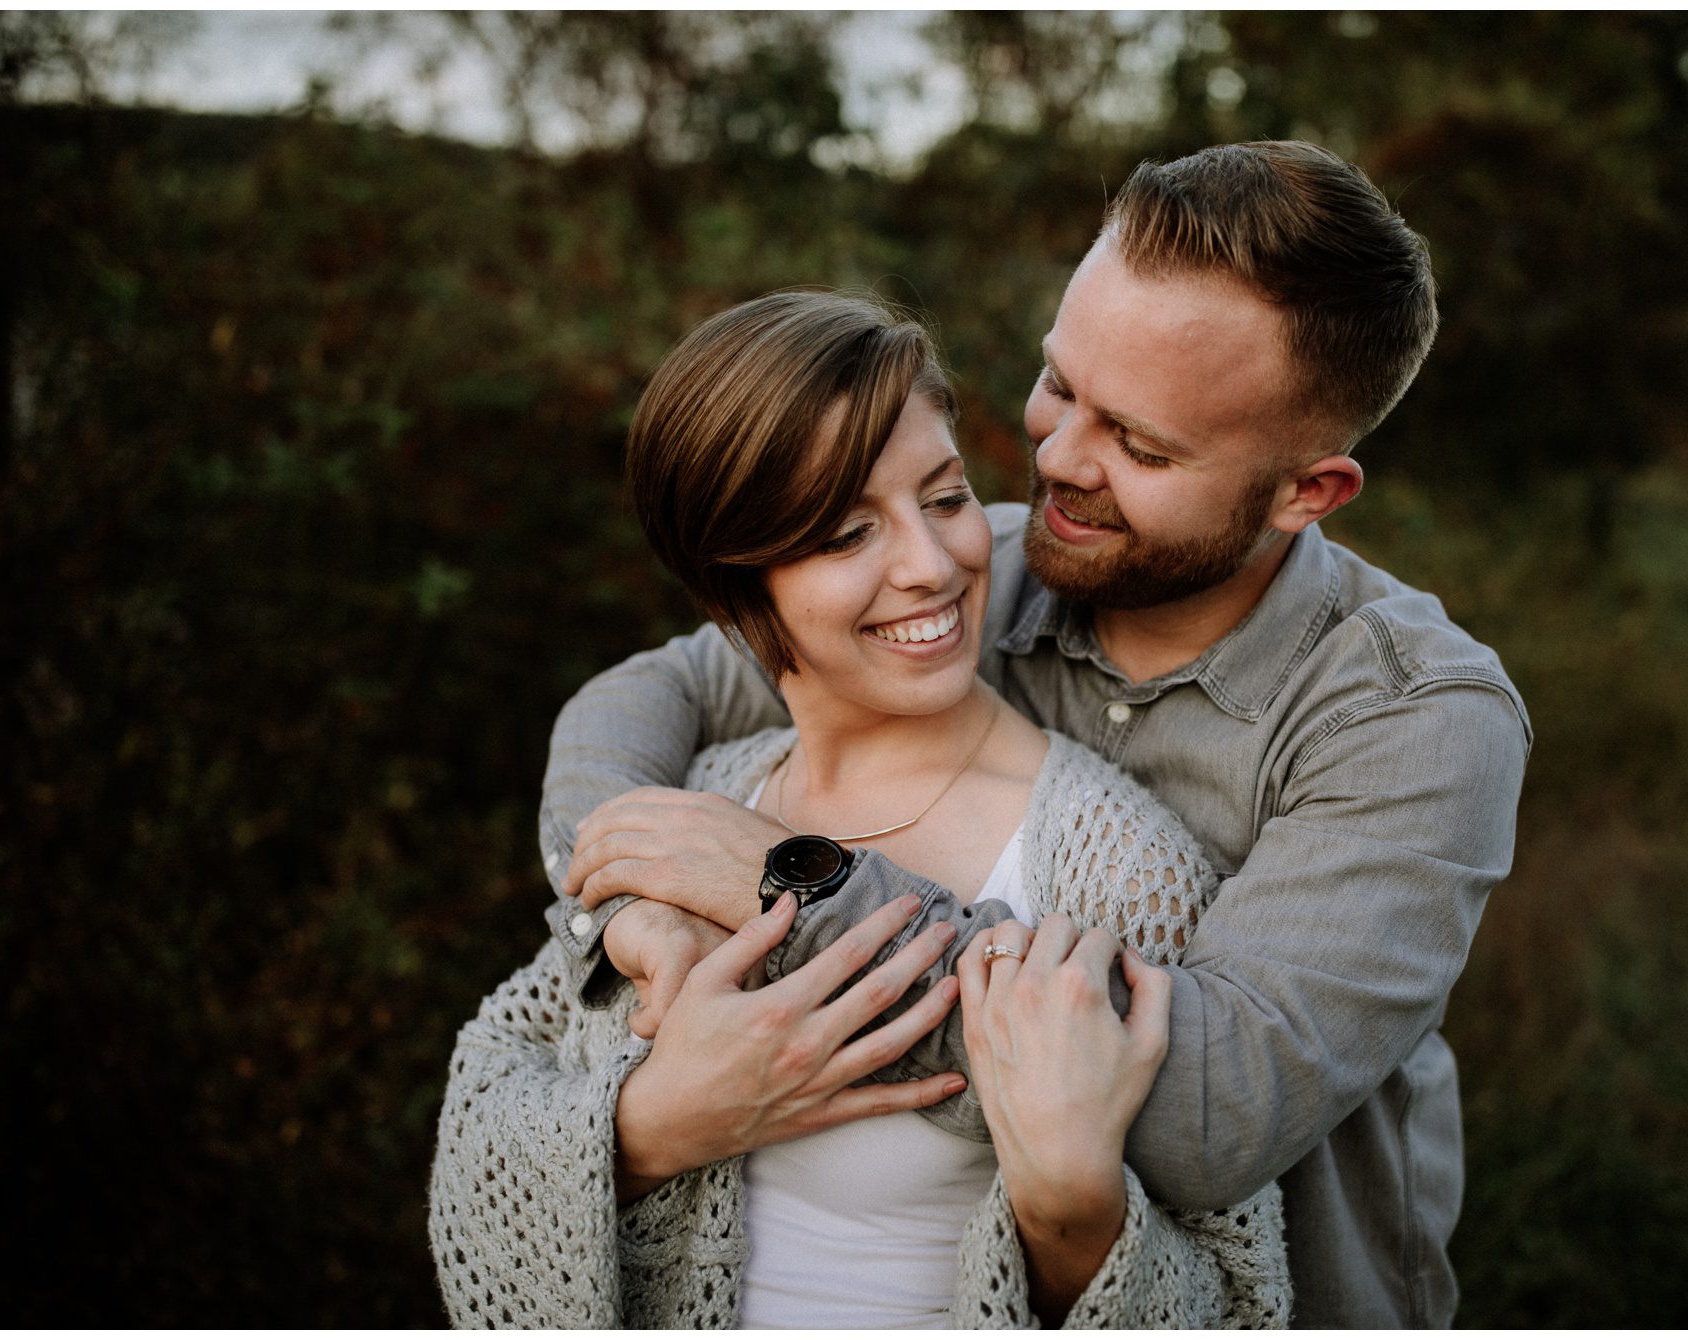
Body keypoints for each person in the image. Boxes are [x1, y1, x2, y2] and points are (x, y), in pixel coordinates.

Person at [544, 140, 1532, 1328]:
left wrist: (792, 895)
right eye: (1060, 383)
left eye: (1140, 445)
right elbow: (645, 699)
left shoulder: (1412, 719)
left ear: (1303, 493)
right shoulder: (981, 566)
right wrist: (634, 904)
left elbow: (1204, 1113)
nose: (1056, 459)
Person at [430, 291, 1291, 1328]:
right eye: (845, 533)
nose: (930, 564)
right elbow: (486, 1110)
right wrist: (649, 1129)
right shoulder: (701, 799)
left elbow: (1231, 1303)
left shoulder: (1114, 868)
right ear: (733, 583)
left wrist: (1077, 1212)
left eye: (943, 497)